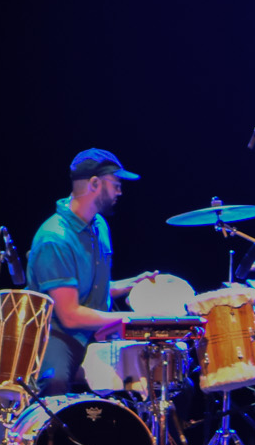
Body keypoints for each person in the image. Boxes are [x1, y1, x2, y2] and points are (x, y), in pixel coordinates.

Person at [27, 149, 159, 395]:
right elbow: (70, 315)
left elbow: (89, 291)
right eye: (116, 184)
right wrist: (129, 321)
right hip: (57, 334)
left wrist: (132, 284)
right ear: (95, 184)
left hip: (95, 332)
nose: (120, 191)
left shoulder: (99, 225)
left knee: (163, 375)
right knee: (54, 383)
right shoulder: (54, 238)